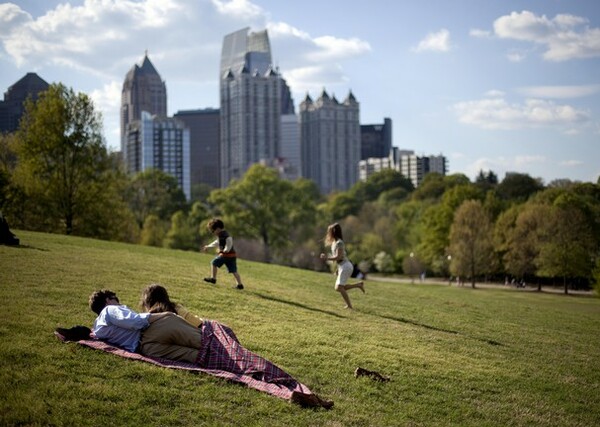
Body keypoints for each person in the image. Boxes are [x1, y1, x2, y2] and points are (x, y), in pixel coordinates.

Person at [139, 284, 333, 409]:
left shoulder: (153, 322)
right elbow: (198, 325)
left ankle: (299, 393)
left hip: (209, 341)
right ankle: (299, 391)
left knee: (245, 367)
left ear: (147, 303)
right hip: (212, 336)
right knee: (252, 363)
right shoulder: (175, 310)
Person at [320, 223, 365, 309]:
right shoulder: (334, 242)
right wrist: (338, 269)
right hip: (342, 266)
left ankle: (349, 306)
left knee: (339, 287)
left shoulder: (339, 243)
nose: (328, 234)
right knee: (339, 287)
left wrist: (326, 258)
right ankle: (358, 285)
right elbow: (338, 259)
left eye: (329, 232)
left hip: (346, 266)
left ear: (333, 232)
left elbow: (338, 257)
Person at [202, 218, 244, 290]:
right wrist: (208, 246)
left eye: (212, 230)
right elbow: (217, 242)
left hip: (227, 255)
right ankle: (239, 285)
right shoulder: (220, 235)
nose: (212, 232)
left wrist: (224, 251)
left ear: (217, 229)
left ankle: (213, 279)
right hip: (229, 255)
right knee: (233, 270)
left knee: (214, 263)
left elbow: (229, 245)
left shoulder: (226, 236)